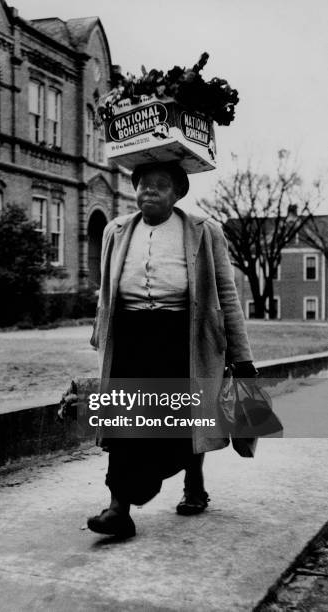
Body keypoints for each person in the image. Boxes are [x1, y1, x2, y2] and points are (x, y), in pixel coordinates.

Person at [87, 161, 257, 538]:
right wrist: (99, 340)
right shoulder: (115, 231)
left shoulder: (203, 231)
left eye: (161, 185)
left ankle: (193, 482)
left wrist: (242, 357)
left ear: (178, 193)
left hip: (182, 336)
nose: (149, 190)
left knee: (182, 423)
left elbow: (226, 295)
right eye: (143, 184)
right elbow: (105, 293)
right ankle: (119, 509)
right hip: (129, 336)